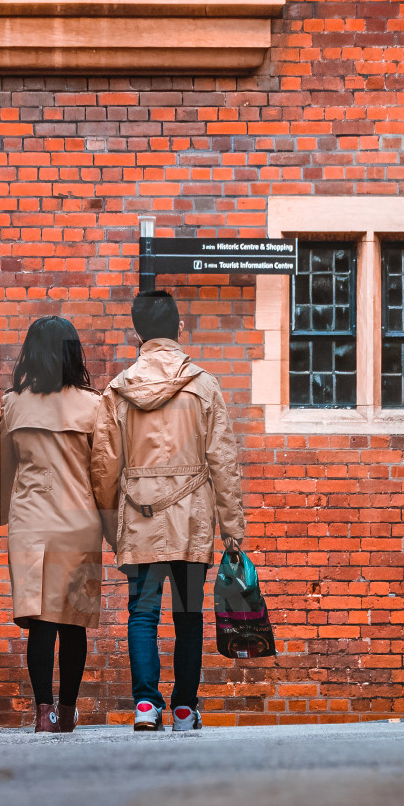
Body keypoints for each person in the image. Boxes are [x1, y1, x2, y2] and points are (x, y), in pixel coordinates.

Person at [90, 290, 244, 732]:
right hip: (192, 517)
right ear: (179, 329)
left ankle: (144, 705)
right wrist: (232, 527)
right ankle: (182, 708)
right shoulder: (204, 384)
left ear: (137, 333)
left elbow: (104, 465)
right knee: (188, 611)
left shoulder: (118, 390)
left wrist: (109, 523)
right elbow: (223, 461)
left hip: (139, 516)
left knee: (142, 611)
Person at [0, 316, 105, 733]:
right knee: (73, 620)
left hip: (32, 523)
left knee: (41, 622)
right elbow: (104, 470)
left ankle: (43, 713)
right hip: (79, 521)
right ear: (74, 352)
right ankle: (69, 711)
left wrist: (0, 513)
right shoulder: (93, 405)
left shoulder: (14, 404)